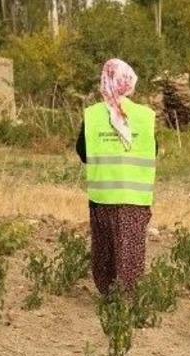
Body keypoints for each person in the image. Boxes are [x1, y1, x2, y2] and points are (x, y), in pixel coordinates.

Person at [75, 58, 158, 295]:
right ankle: (128, 300)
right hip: (134, 198)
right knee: (130, 253)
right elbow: (153, 150)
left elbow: (82, 151)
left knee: (105, 250)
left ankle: (108, 295)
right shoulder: (144, 115)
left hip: (102, 196)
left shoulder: (92, 115)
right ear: (129, 82)